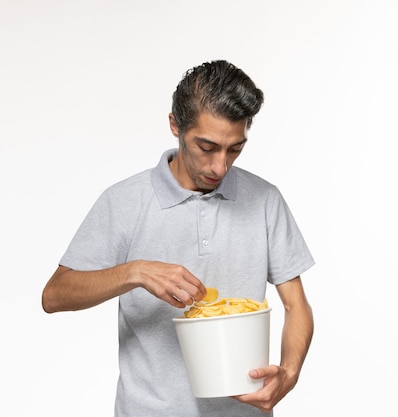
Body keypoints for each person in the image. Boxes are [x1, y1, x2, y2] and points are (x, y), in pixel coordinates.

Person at [41, 59, 314, 416]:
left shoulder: (265, 199)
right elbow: (55, 295)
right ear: (175, 125)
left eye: (234, 148)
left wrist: (289, 373)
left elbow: (297, 306)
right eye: (207, 147)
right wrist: (135, 272)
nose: (221, 166)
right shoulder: (124, 201)